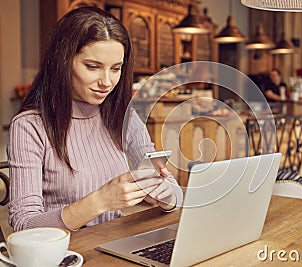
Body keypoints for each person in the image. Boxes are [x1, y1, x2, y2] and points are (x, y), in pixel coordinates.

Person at [7, 6, 183, 232]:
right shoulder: (30, 126)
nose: (107, 82)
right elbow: (24, 224)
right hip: (65, 253)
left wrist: (164, 194)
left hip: (110, 245)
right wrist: (100, 200)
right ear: (63, 61)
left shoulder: (124, 118)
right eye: (93, 67)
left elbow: (175, 194)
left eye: (116, 69)